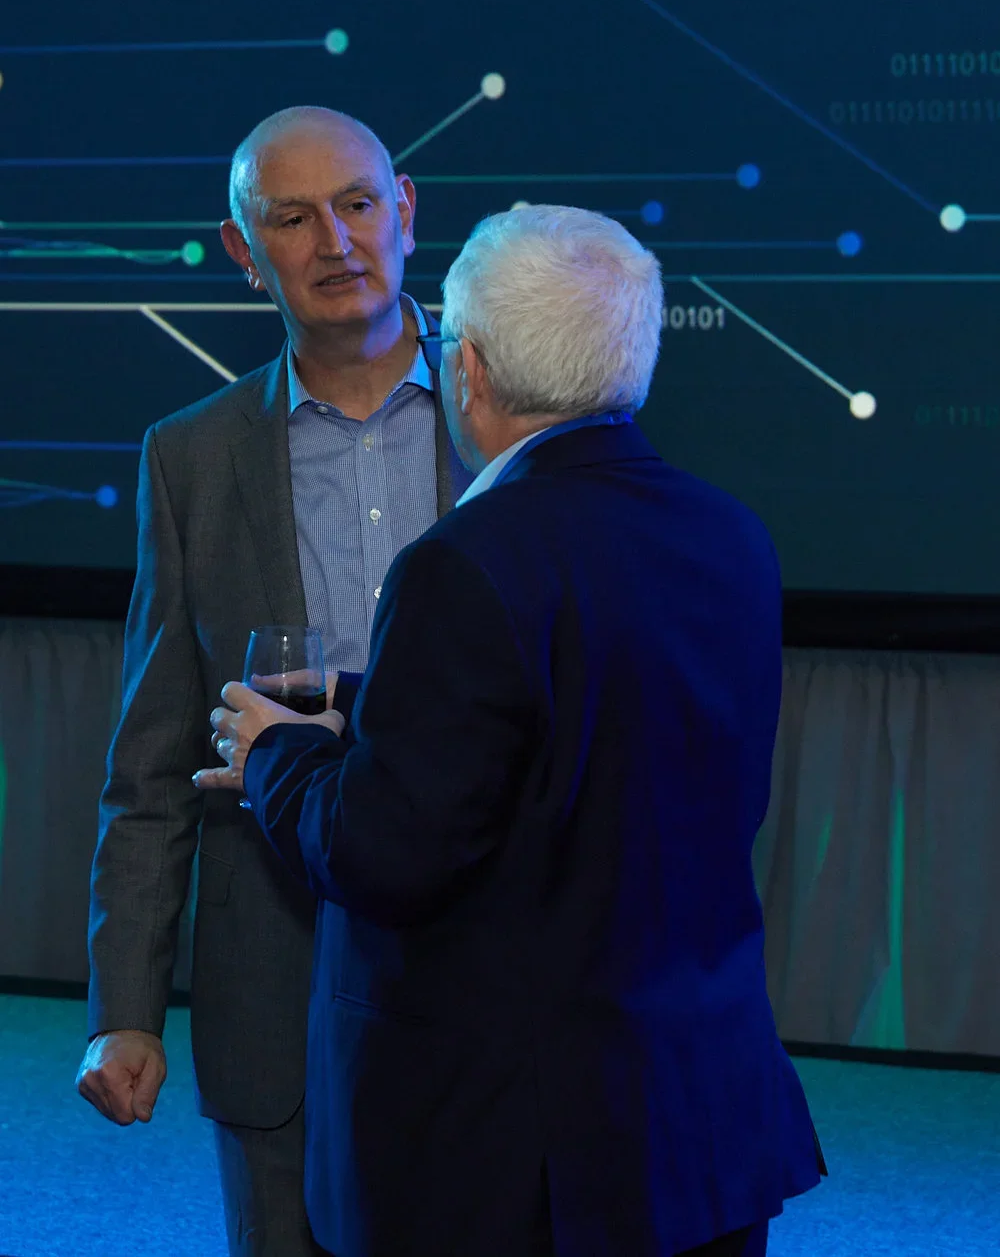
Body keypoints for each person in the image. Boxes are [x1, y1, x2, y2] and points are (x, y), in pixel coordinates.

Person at [201, 204, 825, 1257]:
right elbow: (606, 714)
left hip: (517, 1166)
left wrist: (275, 752)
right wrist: (372, 694)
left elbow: (381, 853)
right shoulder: (730, 536)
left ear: (469, 368)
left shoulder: (461, 561)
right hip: (697, 1129)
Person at [76, 106, 470, 1257]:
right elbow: (150, 765)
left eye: (355, 204)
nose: (334, 241)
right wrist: (127, 1012)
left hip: (487, 961)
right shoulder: (190, 457)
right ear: (245, 253)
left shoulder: (513, 425)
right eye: (290, 219)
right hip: (275, 980)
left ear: (404, 215)